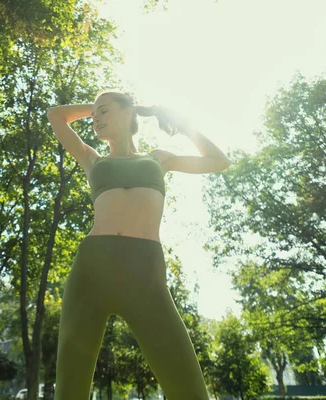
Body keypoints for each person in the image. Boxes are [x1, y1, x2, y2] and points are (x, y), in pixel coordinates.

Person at [46, 90, 231, 400]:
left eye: (104, 111)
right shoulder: (93, 159)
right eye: (93, 115)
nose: (95, 119)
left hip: (145, 274)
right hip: (92, 271)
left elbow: (218, 161)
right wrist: (96, 106)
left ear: (127, 112)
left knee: (189, 389)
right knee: (70, 388)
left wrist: (184, 126)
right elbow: (56, 115)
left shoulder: (158, 158)